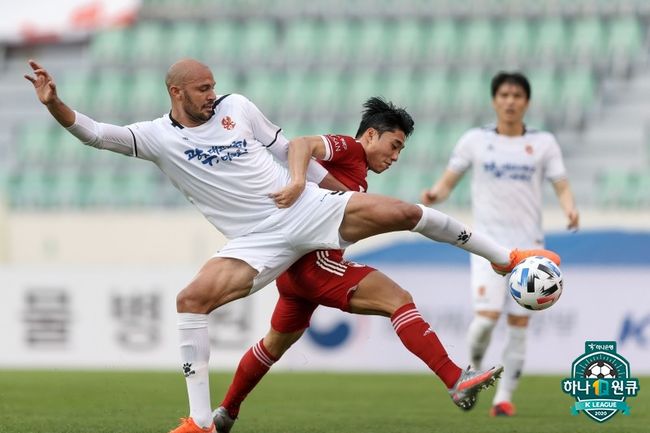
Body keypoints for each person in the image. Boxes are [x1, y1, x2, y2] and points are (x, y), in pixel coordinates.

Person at [26, 59, 560, 433]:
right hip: (258, 240)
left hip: (304, 212)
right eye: (203, 88)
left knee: (400, 213)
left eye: (214, 86)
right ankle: (200, 420)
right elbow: (95, 133)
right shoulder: (156, 137)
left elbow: (286, 147)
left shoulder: (239, 107)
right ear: (177, 92)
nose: (213, 94)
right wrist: (56, 104)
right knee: (191, 301)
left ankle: (506, 258)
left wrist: (319, 190)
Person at [211, 96, 502, 433]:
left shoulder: (358, 173)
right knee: (398, 299)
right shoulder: (350, 149)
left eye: (400, 151)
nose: (394, 157)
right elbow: (301, 144)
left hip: (294, 271)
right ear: (370, 136)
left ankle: (226, 412)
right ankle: (455, 379)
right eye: (393, 146)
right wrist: (295, 181)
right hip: (314, 263)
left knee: (272, 346)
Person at [421, 72, 579, 417]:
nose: (510, 101)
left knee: (520, 325)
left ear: (527, 102)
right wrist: (435, 194)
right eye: (504, 94)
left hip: (530, 251)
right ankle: (475, 368)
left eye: (517, 95)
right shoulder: (474, 141)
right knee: (486, 319)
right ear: (494, 100)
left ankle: (503, 398)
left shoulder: (543, 143)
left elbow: (561, 184)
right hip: (487, 247)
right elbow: (449, 181)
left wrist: (569, 210)